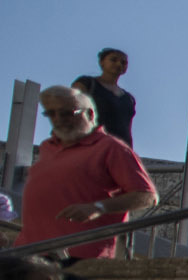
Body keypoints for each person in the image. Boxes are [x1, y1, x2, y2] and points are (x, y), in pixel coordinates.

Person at [21, 84, 158, 257]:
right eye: (51, 113)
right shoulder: (47, 147)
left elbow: (147, 196)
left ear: (90, 114)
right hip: (28, 252)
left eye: (67, 113)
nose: (58, 119)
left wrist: (98, 207)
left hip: (79, 257)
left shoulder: (111, 148)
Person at [73, 49, 134, 144]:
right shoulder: (87, 84)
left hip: (119, 148)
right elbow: (71, 108)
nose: (119, 64)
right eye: (113, 60)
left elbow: (127, 127)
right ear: (102, 63)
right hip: (90, 144)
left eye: (123, 62)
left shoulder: (128, 98)